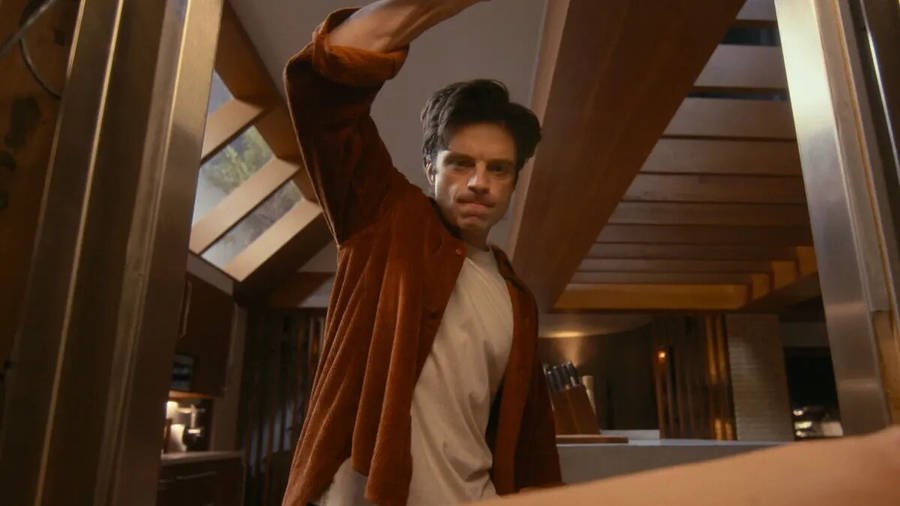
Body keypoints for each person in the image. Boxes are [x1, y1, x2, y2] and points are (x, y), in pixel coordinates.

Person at [281, 1, 558, 505]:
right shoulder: (385, 222)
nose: (479, 182)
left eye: (498, 168)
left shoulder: (517, 299)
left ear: (515, 181)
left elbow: (532, 446)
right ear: (430, 167)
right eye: (460, 163)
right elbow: (321, 91)